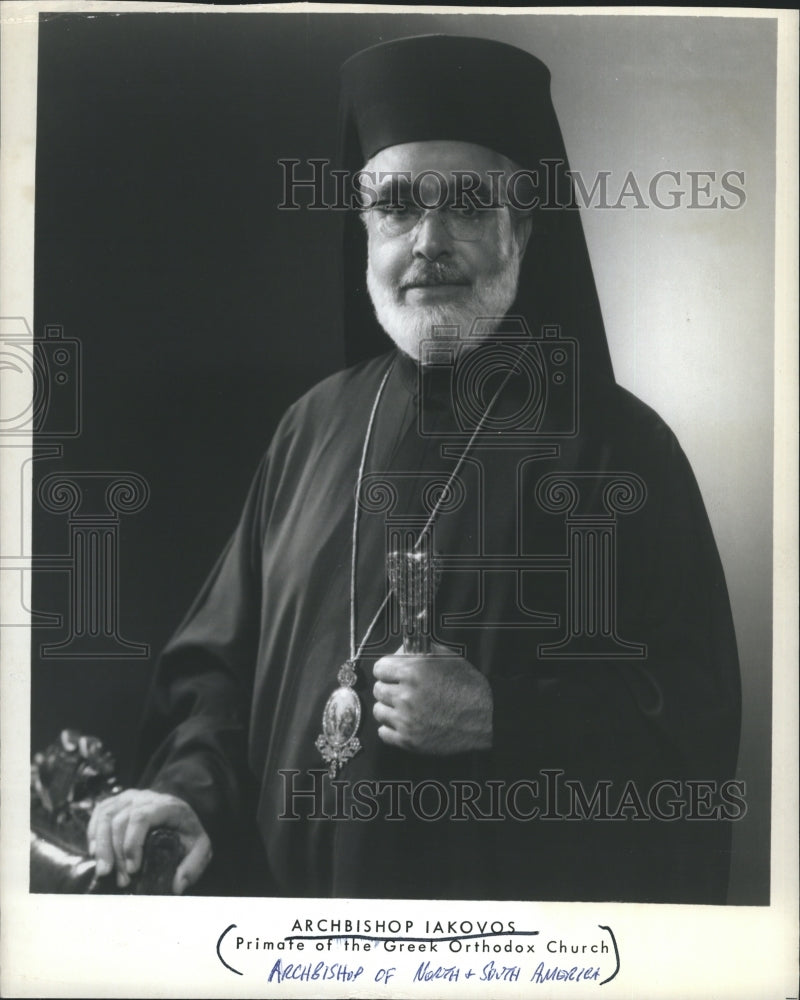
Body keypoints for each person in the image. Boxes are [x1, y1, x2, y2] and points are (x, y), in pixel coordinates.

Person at [88, 34, 741, 902]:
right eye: (397, 206)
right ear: (364, 228)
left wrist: (505, 721)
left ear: (524, 226)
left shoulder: (621, 454)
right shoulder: (310, 430)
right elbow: (217, 675)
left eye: (468, 205)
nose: (429, 242)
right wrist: (191, 795)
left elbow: (691, 737)